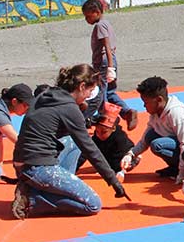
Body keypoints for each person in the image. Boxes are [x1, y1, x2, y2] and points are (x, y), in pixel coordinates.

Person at [12, 64, 128, 218]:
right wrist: (113, 180)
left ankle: (39, 187)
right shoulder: (68, 107)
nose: (88, 96)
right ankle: (33, 199)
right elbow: (89, 147)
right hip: (38, 166)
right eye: (89, 91)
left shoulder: (46, 95)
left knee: (72, 143)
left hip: (22, 161)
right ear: (81, 86)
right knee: (92, 204)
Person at [121, 76, 184, 181]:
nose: (144, 106)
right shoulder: (155, 113)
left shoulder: (176, 113)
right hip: (176, 141)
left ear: (159, 100)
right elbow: (144, 140)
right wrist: (130, 154)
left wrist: (183, 173)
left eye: (146, 102)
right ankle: (176, 167)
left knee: (157, 145)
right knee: (151, 135)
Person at [82, 0, 138, 131]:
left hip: (103, 63)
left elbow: (107, 46)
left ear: (96, 12)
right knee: (110, 92)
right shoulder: (106, 23)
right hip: (110, 60)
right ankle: (127, 112)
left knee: (101, 93)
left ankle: (106, 118)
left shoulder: (100, 26)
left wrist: (110, 68)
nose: (87, 20)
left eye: (88, 16)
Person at [78, 102, 139, 180]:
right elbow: (85, 153)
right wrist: (74, 167)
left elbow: (119, 156)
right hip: (108, 156)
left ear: (113, 129)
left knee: (128, 161)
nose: (100, 135)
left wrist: (114, 170)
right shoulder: (96, 137)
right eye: (97, 131)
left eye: (104, 132)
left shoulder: (120, 138)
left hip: (125, 155)